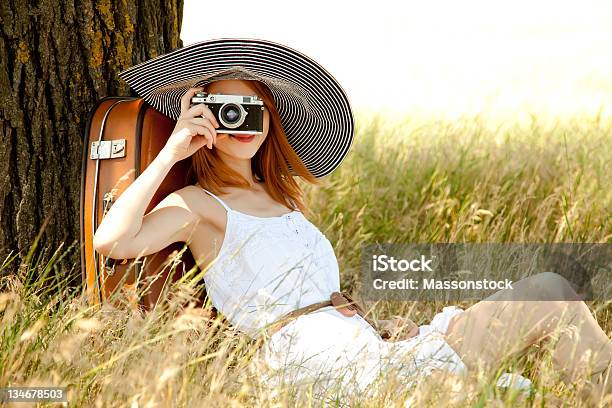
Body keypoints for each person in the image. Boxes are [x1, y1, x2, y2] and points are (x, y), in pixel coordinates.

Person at [93, 78, 611, 404]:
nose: (239, 122)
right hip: (309, 362)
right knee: (484, 396)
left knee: (552, 290)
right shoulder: (202, 205)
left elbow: (312, 292)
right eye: (223, 110)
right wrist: (175, 151)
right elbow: (110, 241)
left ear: (270, 117)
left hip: (365, 346)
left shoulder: (284, 199)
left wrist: (374, 325)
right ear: (203, 117)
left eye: (251, 109)